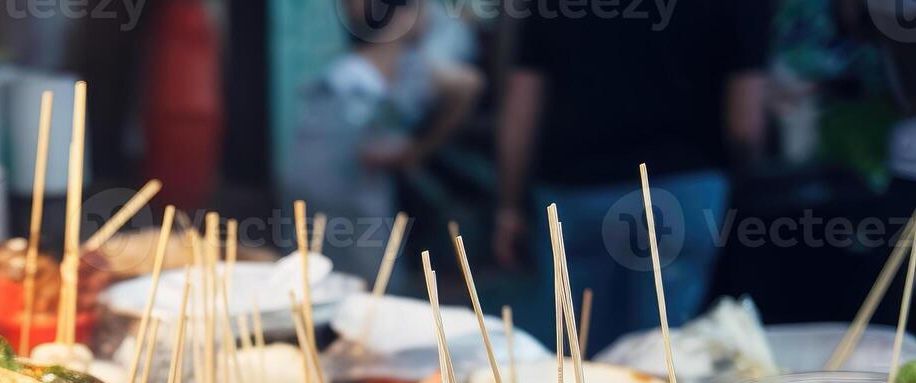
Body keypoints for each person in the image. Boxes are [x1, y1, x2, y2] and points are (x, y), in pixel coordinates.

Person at [494, 0, 771, 353]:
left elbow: (522, 105)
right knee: (664, 359)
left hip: (575, 191)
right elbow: (745, 127)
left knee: (580, 358)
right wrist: (739, 177)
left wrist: (509, 206)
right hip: (685, 191)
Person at [285, 0, 482, 285]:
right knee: (323, 281)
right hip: (337, 202)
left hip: (369, 202)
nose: (429, 15)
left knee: (375, 286)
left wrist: (417, 150)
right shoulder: (344, 80)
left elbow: (469, 85)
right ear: (401, 16)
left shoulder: (413, 69)